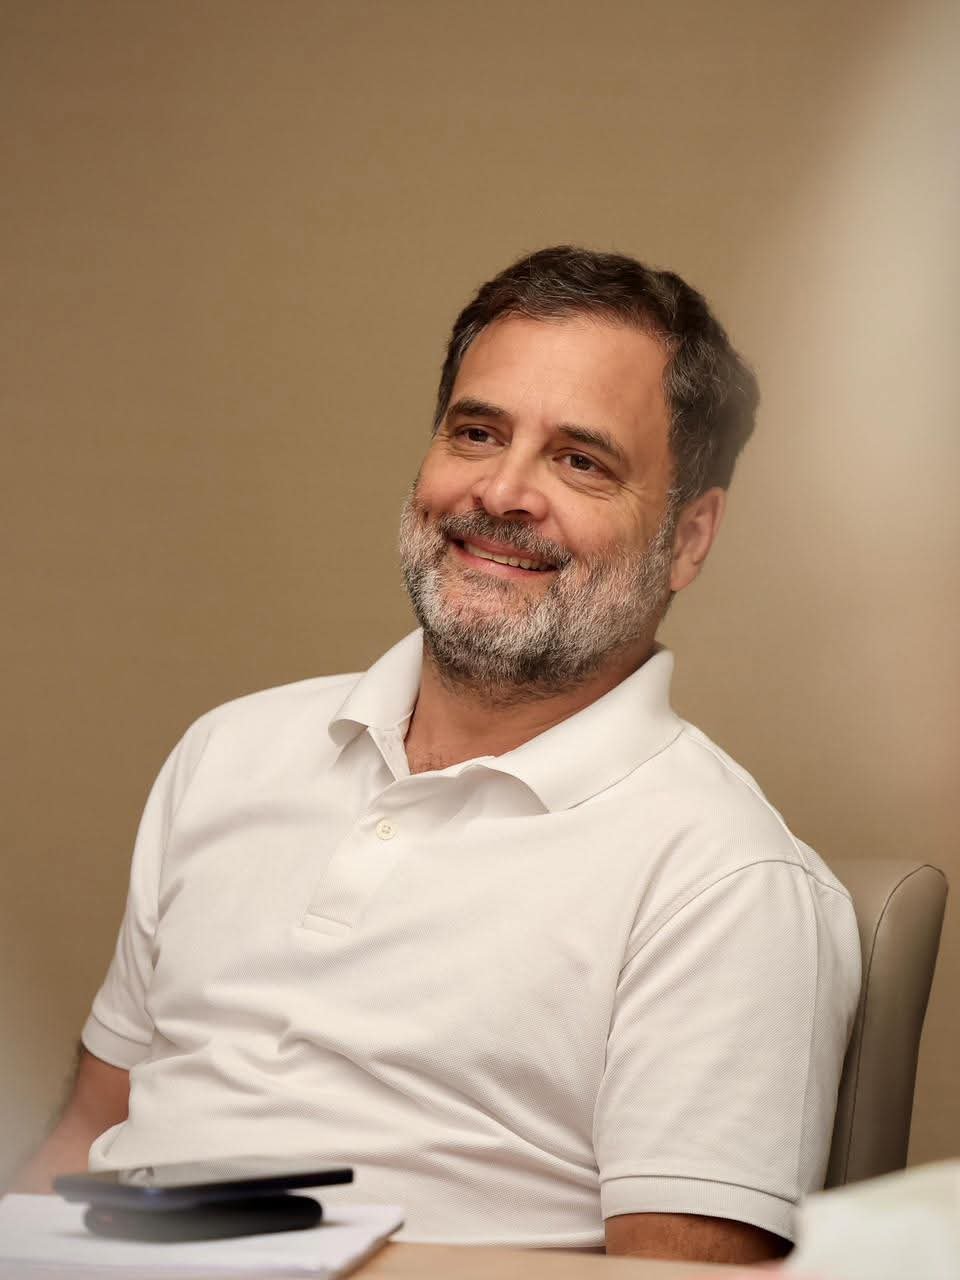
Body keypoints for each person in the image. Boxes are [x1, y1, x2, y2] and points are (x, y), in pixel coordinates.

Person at [14, 246, 861, 1264]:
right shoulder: (227, 752)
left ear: (688, 537)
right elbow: (89, 1135)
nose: (502, 491)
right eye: (477, 432)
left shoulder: (724, 879)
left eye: (581, 460)